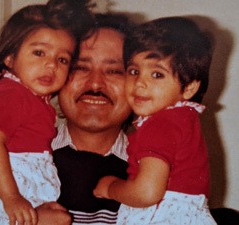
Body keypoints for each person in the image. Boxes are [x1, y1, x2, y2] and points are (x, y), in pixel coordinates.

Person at [0, 1, 93, 225]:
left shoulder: (33, 98)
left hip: (13, 185)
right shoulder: (11, 93)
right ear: (10, 58)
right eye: (39, 53)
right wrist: (12, 198)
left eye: (62, 59)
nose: (51, 65)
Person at [93, 17, 217, 225]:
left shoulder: (160, 124)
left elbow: (147, 193)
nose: (140, 83)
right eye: (134, 71)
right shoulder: (184, 119)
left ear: (189, 88)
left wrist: (111, 187)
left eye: (157, 74)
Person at [36, 13, 134, 225]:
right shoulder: (14, 160)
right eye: (80, 67)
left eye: (115, 70)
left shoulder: (157, 172)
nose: (96, 84)